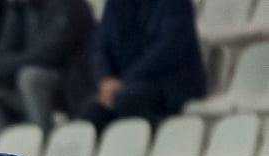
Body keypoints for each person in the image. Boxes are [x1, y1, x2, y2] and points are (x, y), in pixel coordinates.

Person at [0, 0, 95, 138]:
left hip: (69, 84)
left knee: (30, 77)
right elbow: (5, 49)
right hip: (22, 83)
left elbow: (50, 54)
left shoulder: (70, 5)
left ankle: (43, 142)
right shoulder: (20, 8)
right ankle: (0, 152)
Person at [78, 0, 205, 132]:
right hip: (126, 86)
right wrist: (105, 78)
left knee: (127, 101)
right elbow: (100, 46)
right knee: (92, 111)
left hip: (170, 83)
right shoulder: (115, 4)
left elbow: (168, 50)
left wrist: (124, 82)